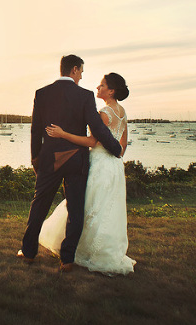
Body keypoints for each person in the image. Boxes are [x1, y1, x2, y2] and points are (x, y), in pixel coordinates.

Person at [17, 56, 122, 272]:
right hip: (77, 160)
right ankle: (67, 259)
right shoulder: (85, 95)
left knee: (39, 205)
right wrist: (116, 148)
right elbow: (97, 127)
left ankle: (28, 253)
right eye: (81, 71)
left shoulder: (42, 93)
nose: (82, 75)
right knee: (75, 210)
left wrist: (35, 159)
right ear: (74, 70)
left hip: (49, 160)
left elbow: (36, 130)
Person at [38, 72, 135, 275]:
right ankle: (105, 251)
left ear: (111, 90)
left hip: (99, 163)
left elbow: (92, 142)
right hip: (115, 166)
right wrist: (116, 157)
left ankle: (82, 250)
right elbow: (122, 144)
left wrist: (63, 134)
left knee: (85, 205)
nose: (97, 88)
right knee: (107, 208)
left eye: (101, 86)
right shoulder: (123, 112)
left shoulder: (104, 114)